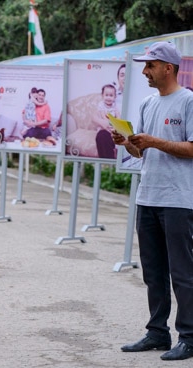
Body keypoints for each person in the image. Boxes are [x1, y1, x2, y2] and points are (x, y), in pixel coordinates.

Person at [113, 41, 193, 361]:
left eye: (150, 65)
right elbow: (141, 151)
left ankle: (189, 336)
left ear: (168, 68)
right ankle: (158, 332)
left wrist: (155, 142)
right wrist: (128, 143)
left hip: (179, 199)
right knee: (153, 270)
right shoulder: (148, 103)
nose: (145, 71)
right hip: (147, 196)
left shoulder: (188, 101)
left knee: (183, 271)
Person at [94, 84, 120, 159]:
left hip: (113, 126)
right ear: (102, 96)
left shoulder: (115, 106)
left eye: (111, 95)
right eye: (106, 95)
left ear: (115, 97)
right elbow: (103, 116)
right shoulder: (101, 105)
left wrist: (117, 122)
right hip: (104, 127)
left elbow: (118, 115)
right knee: (103, 135)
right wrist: (108, 124)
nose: (108, 98)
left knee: (117, 134)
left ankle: (117, 147)